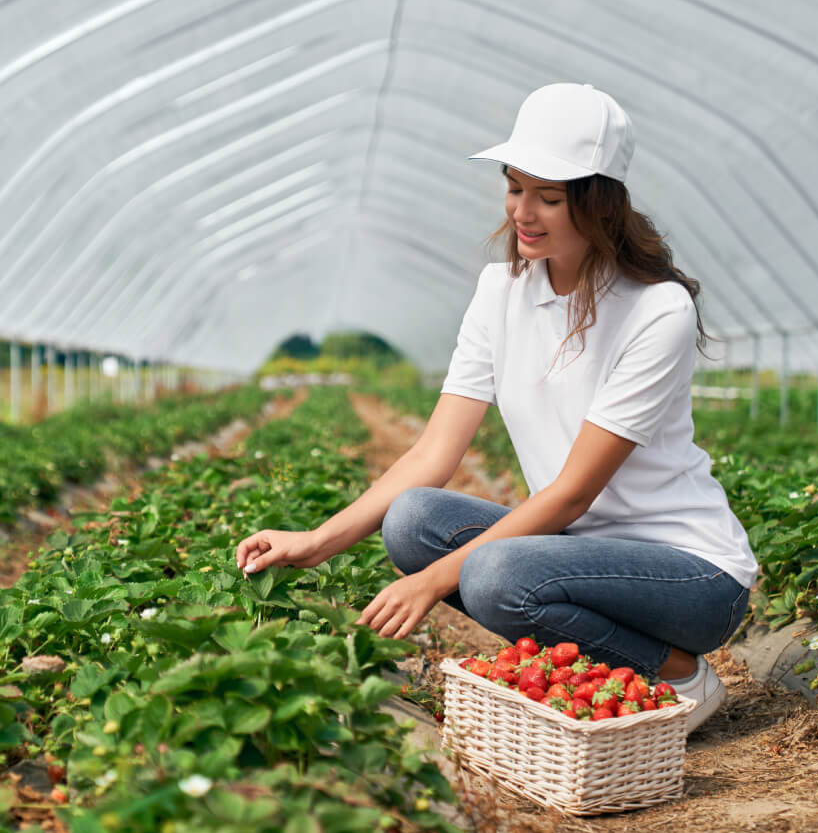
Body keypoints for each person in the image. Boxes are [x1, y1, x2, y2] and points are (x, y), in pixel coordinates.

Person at [234, 83, 758, 733]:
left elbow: (569, 495)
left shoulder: (655, 310)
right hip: (576, 551)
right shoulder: (500, 292)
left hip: (688, 574)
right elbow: (433, 454)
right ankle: (596, 666)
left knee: (493, 572)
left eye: (549, 197)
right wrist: (317, 542)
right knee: (412, 520)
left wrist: (432, 584)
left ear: (597, 202)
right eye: (515, 188)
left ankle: (676, 673)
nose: (523, 213)